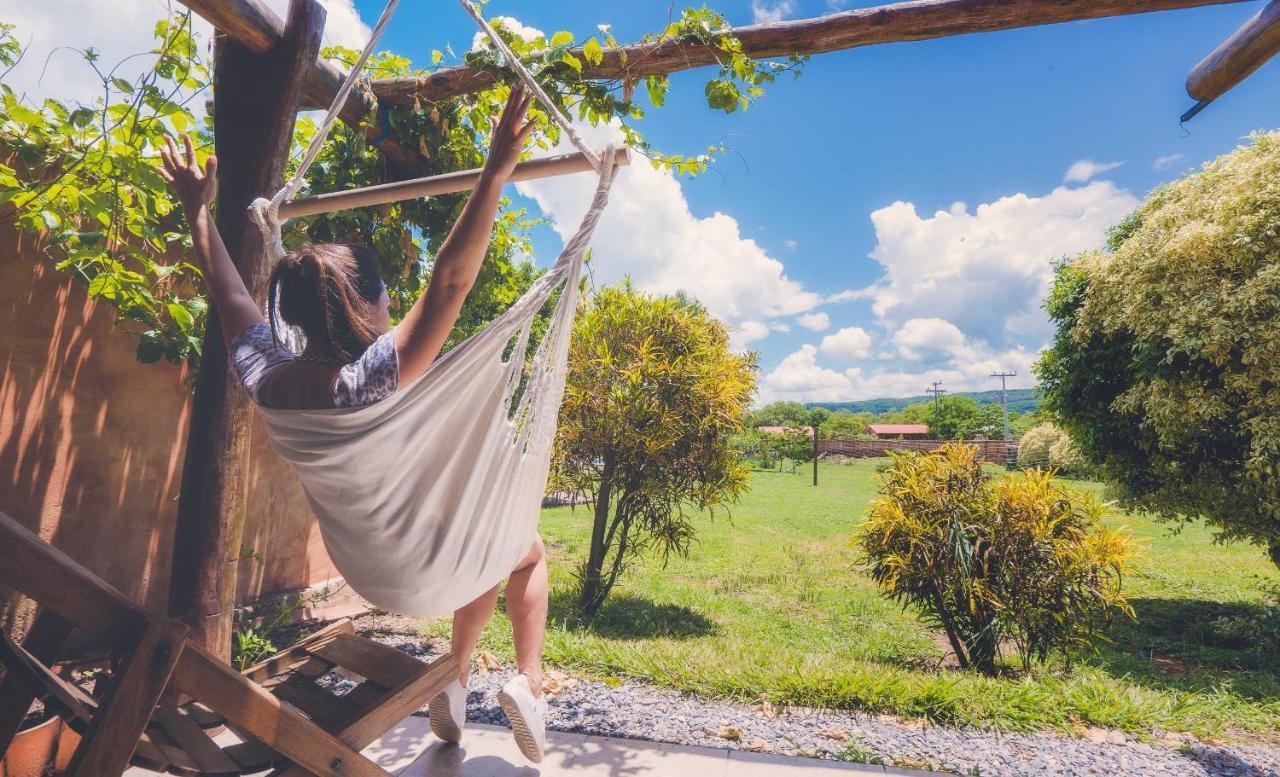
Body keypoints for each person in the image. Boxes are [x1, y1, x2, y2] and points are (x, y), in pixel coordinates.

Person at [161, 87, 551, 762]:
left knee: (486, 538)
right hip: (420, 563)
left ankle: (455, 679)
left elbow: (229, 294)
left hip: (370, 570)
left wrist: (198, 213)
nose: (393, 303)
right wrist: (494, 172)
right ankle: (532, 682)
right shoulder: (369, 379)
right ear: (367, 304)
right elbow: (451, 282)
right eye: (385, 297)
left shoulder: (268, 380)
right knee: (530, 547)